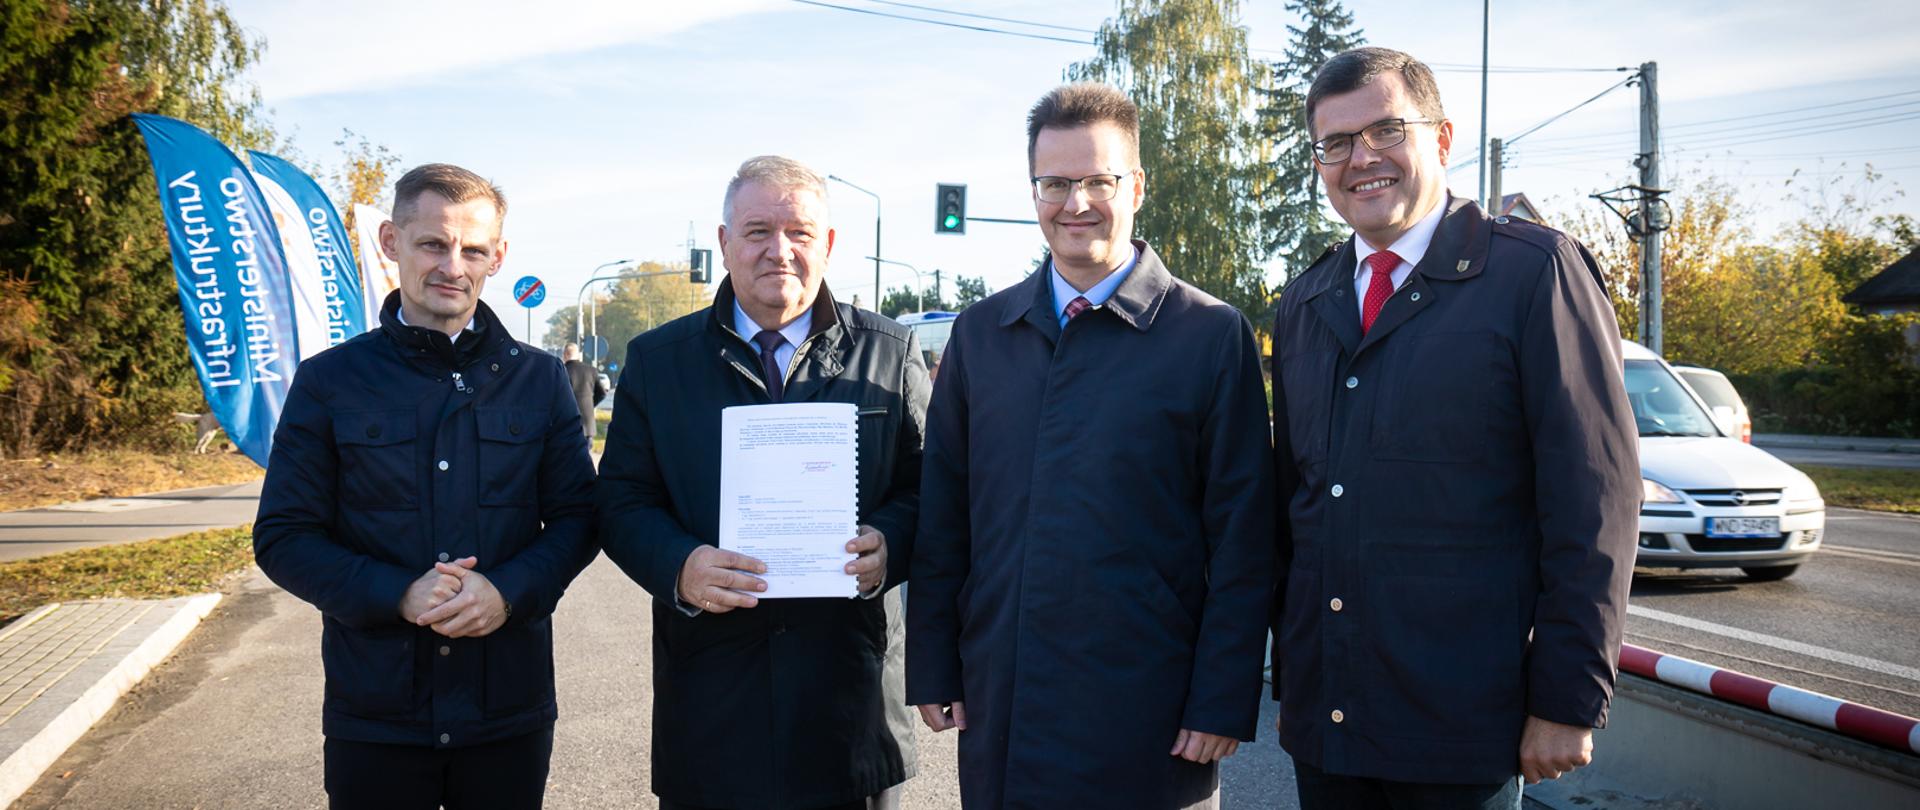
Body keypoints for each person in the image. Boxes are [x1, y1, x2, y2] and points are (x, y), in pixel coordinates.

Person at [1267, 47, 1640, 808]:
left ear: (1440, 140)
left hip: (1462, 725)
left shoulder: (1533, 274)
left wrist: (1567, 697)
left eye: (1384, 131)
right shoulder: (1305, 303)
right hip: (1327, 719)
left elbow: (1594, 499)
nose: (1359, 159)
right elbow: (1293, 505)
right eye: (1334, 143)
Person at [906, 83, 1275, 809]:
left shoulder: (1209, 334)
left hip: (1153, 711)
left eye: (1097, 181)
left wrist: (1222, 697)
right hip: (1005, 697)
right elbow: (944, 512)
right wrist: (935, 664)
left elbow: (1243, 535)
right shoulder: (983, 334)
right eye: (1054, 183)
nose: (1075, 203)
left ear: (1136, 186)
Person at [253, 163, 599, 809]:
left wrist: (507, 592)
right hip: (377, 714)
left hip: (508, 712)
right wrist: (398, 594)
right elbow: (283, 537)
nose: (453, 266)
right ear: (391, 242)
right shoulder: (329, 382)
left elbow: (581, 518)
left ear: (498, 256)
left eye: (473, 249)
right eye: (433, 244)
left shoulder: (541, 380)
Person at [595, 155, 931, 810]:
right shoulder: (659, 362)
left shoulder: (889, 352)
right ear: (724, 243)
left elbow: (933, 489)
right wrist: (680, 564)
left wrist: (892, 543)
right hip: (713, 704)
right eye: (757, 231)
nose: (780, 250)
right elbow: (619, 500)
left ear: (827, 244)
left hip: (851, 709)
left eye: (800, 232)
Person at [562, 342, 606, 438]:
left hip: (568, 425)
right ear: (578, 355)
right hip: (588, 424)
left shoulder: (562, 371)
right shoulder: (591, 370)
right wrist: (590, 404)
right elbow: (602, 393)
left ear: (565, 355)